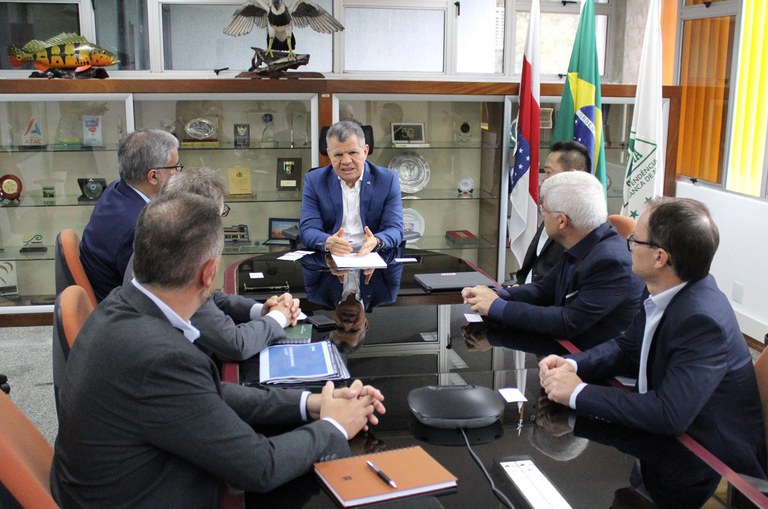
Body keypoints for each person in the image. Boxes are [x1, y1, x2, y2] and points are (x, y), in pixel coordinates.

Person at [52, 192, 386, 507]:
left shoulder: (119, 304)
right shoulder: (162, 358)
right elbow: (261, 467)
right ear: (209, 273)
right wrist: (334, 426)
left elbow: (208, 394)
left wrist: (310, 403)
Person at [539, 198, 767, 482]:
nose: (629, 246)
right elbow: (628, 348)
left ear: (660, 258)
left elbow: (669, 414)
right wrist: (573, 365)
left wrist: (578, 392)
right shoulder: (662, 288)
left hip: (712, 470)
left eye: (635, 240)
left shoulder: (702, 321)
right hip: (662, 445)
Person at [122, 168, 301, 360]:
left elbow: (210, 298)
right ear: (203, 220)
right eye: (220, 214)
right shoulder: (179, 274)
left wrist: (260, 310)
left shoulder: (154, 246)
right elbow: (236, 344)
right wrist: (278, 317)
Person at [462, 171, 645, 350]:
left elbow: (567, 322)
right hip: (565, 348)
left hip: (594, 359)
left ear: (562, 221)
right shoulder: (584, 240)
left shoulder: (611, 262)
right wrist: (498, 295)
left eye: (545, 210)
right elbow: (544, 289)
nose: (542, 215)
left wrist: (497, 307)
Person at [80, 128, 180, 302]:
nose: (178, 172)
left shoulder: (116, 189)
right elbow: (152, 294)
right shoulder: (138, 226)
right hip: (123, 310)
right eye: (175, 167)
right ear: (153, 176)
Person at [299, 120, 403, 256]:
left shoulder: (387, 180)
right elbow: (308, 229)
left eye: (353, 152)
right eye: (338, 155)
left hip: (372, 256)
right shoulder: (315, 181)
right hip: (331, 257)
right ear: (329, 154)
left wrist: (376, 241)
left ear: (365, 151)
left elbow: (394, 229)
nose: (346, 161)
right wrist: (328, 242)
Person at [515, 141, 591, 284]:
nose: (544, 179)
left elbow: (555, 285)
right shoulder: (554, 207)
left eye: (549, 172)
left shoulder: (579, 225)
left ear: (571, 175)